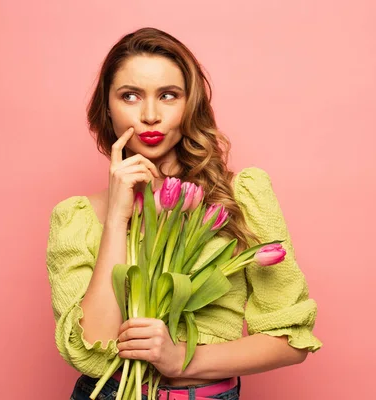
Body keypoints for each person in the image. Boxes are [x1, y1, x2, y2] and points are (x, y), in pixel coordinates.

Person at [46, 27, 322, 400]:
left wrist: (181, 361)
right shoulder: (77, 218)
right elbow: (92, 351)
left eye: (168, 96)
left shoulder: (240, 198)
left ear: (190, 105)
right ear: (106, 109)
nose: (149, 115)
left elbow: (291, 341)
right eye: (129, 96)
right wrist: (116, 219)